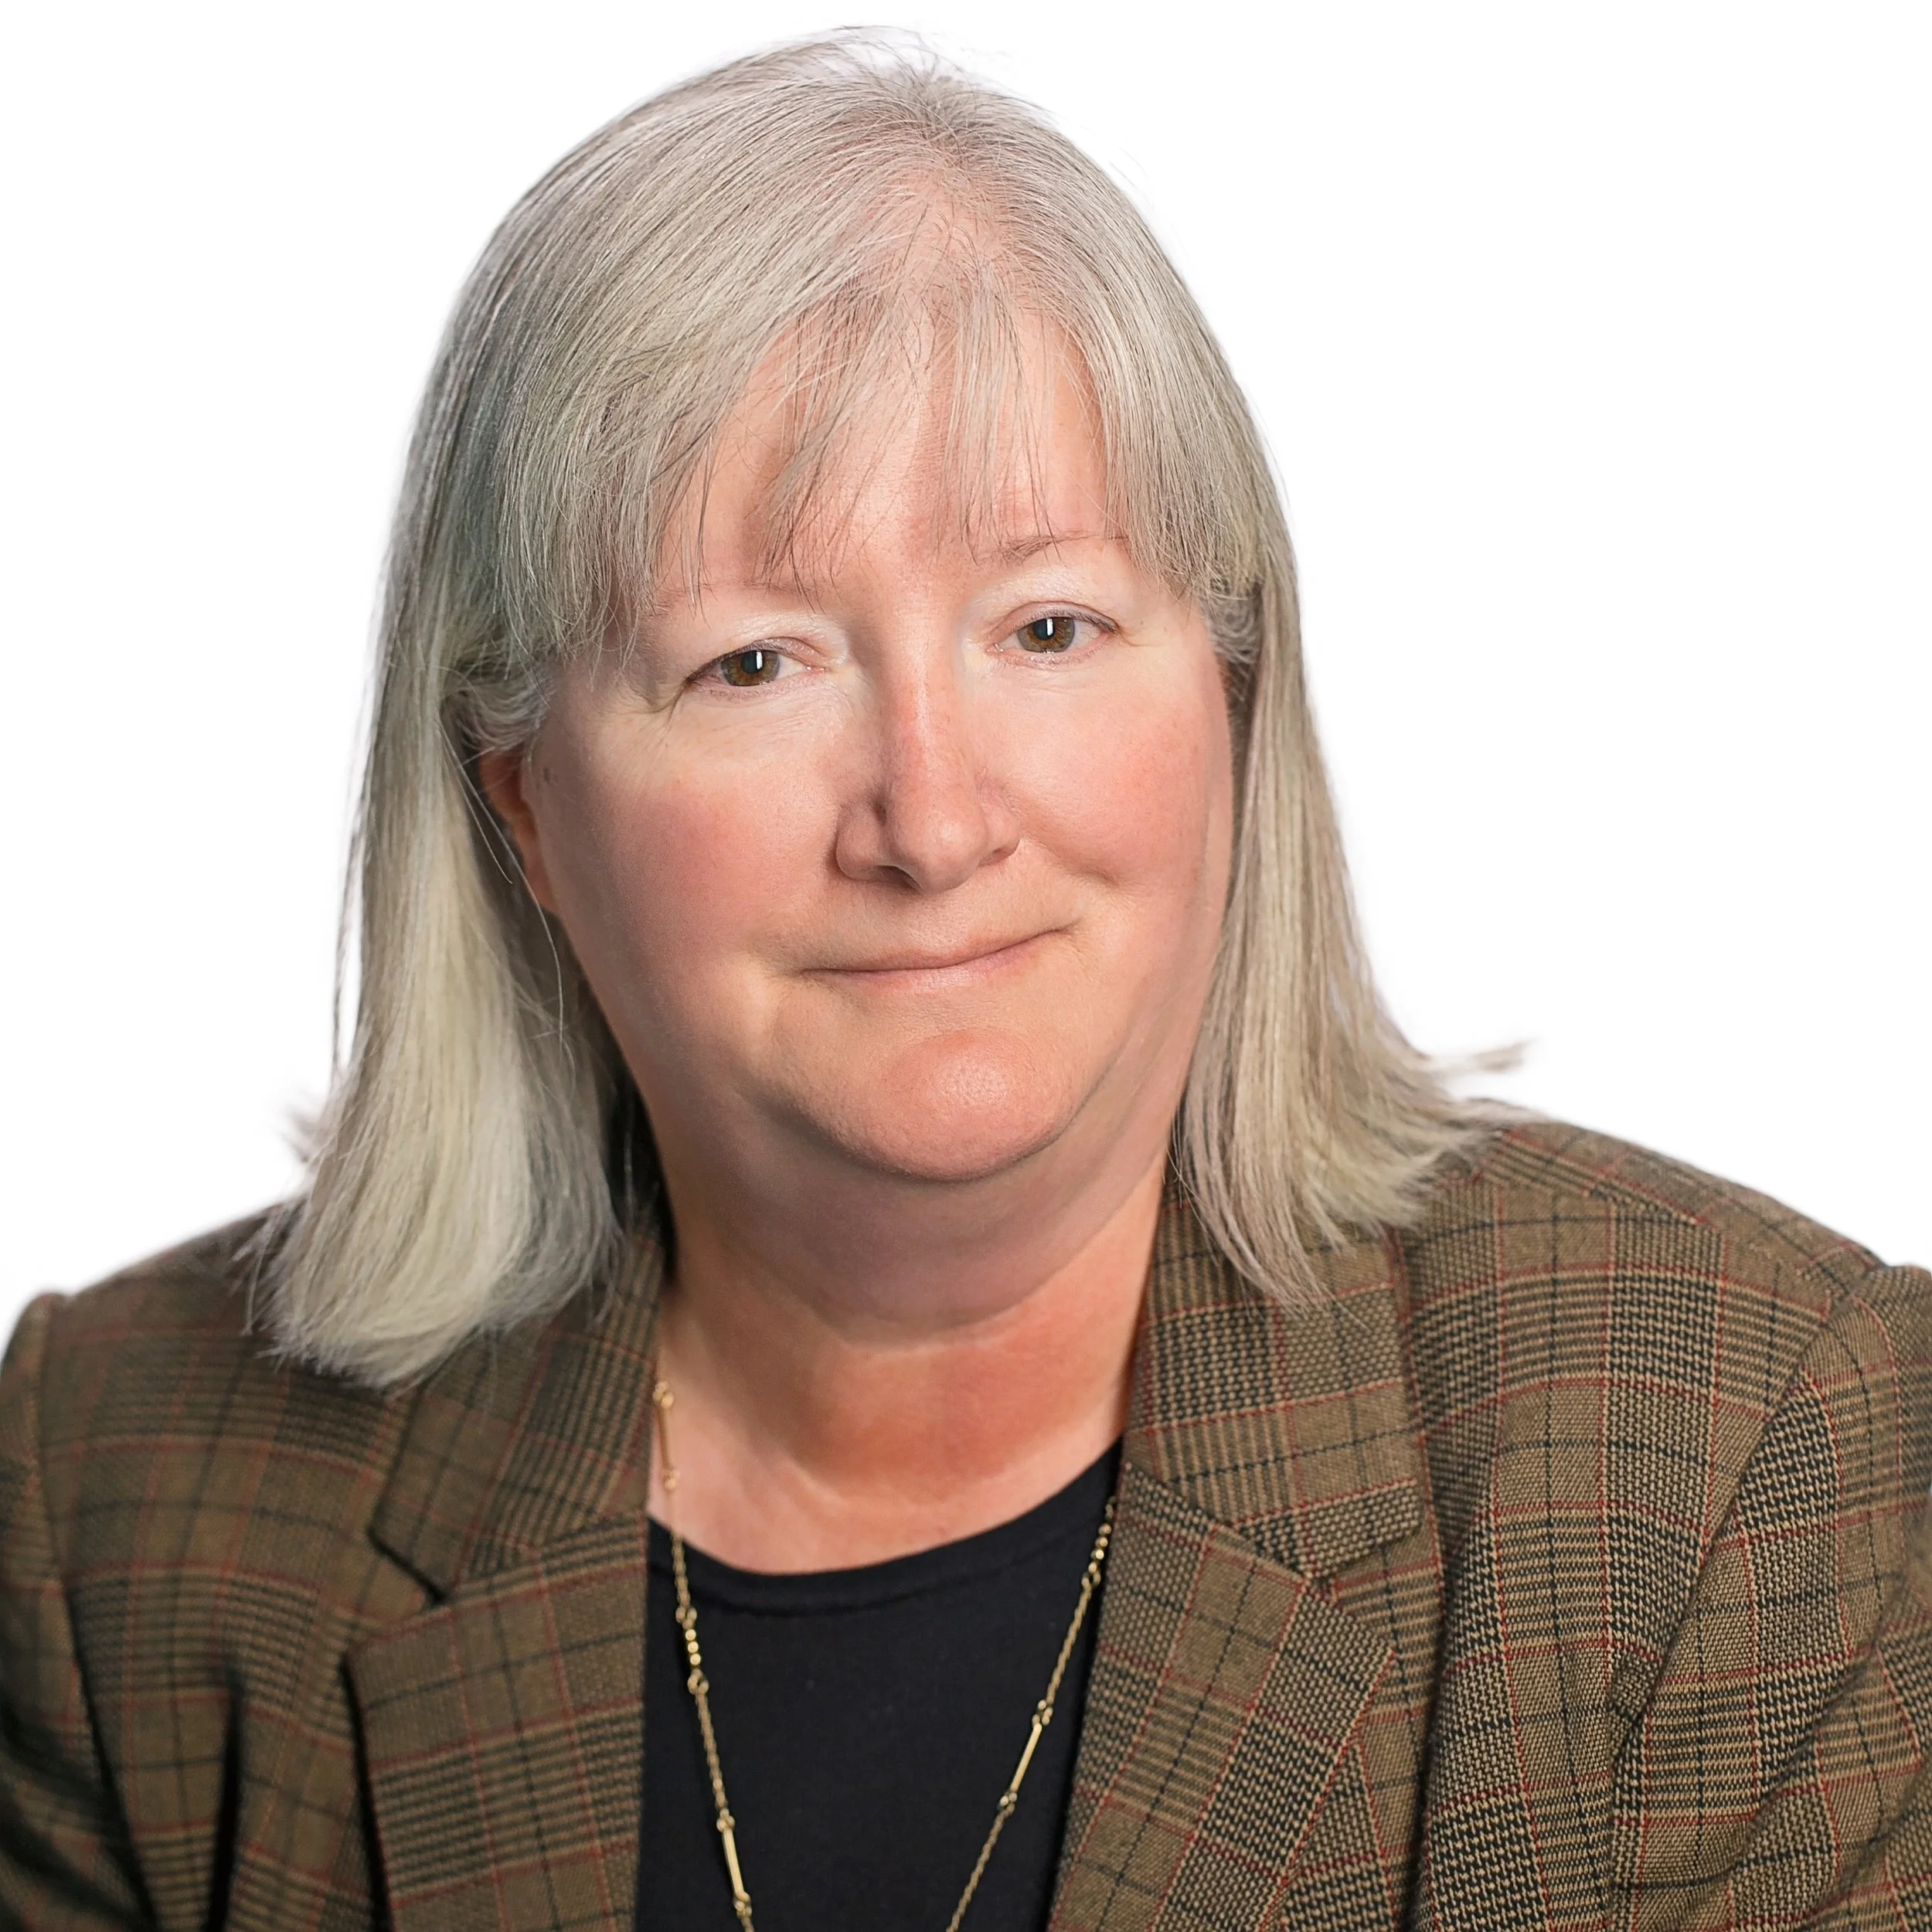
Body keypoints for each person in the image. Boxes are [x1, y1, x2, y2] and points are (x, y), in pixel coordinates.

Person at [3, 32, 1929, 1932]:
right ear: (526, 804)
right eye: (754, 662)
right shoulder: (114, 1506)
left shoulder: (1732, 1453)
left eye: (1047, 626)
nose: (928, 821)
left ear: (1228, 696)